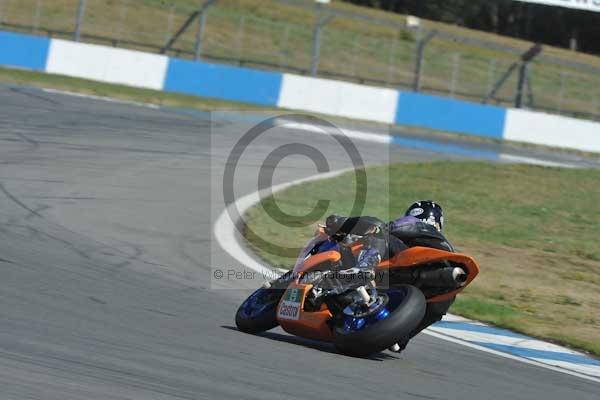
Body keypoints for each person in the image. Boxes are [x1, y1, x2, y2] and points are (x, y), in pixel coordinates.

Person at [322, 200, 454, 352]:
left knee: (377, 229)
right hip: (439, 281)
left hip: (410, 263)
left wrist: (340, 223)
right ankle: (401, 338)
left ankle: (364, 268)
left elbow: (386, 227)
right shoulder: (443, 244)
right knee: (439, 305)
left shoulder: (414, 224)